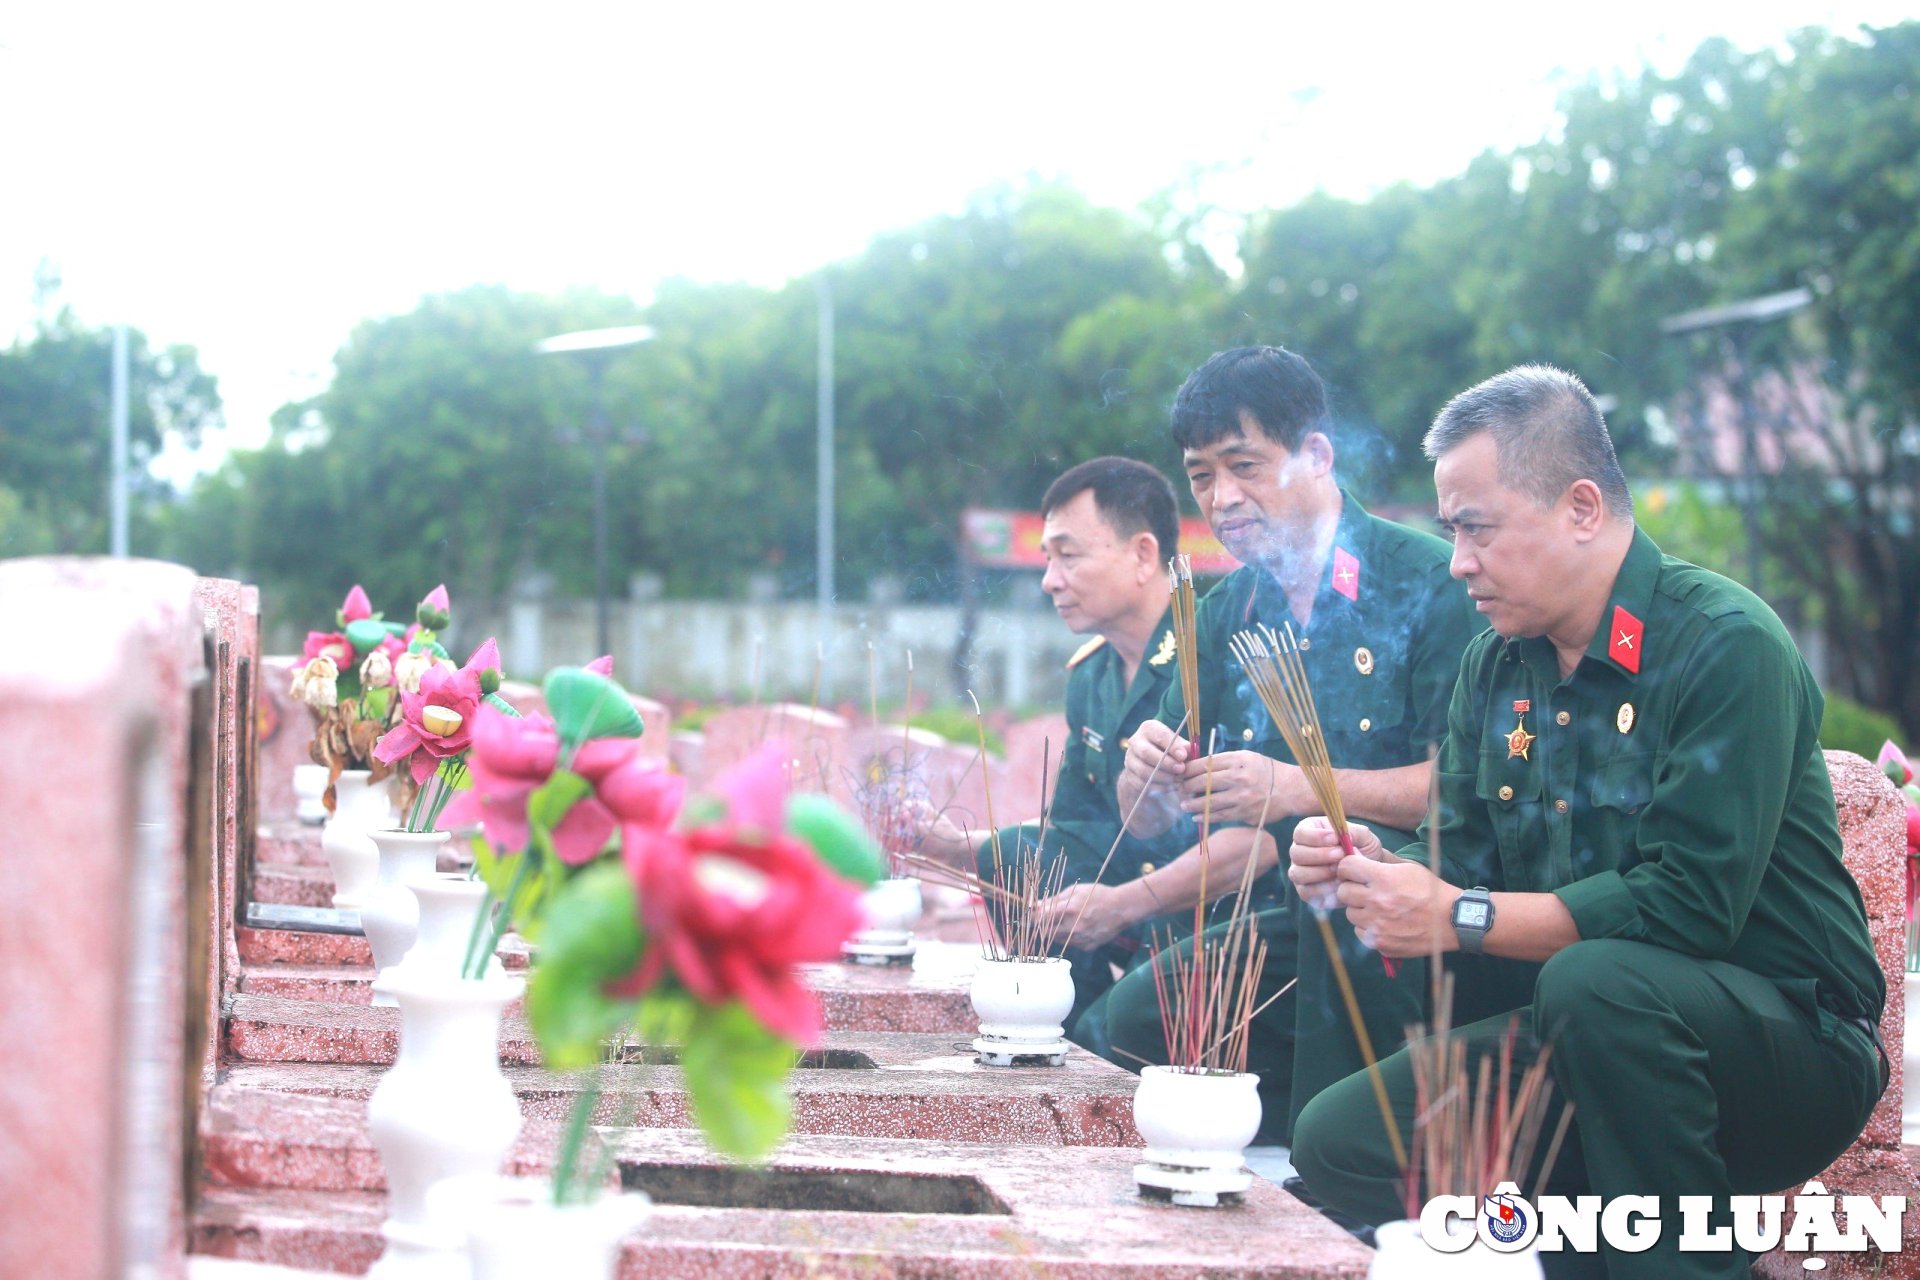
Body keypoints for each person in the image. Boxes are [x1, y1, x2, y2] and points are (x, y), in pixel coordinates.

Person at [1288, 365, 1885, 1279]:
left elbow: (1691, 908)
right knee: (1341, 1142)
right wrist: (1376, 866)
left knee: (1597, 980)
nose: (1457, 562)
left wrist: (1458, 913)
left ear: (1579, 507)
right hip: (1583, 1030)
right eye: (1451, 532)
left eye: (1477, 529)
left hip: (1780, 1050)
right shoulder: (1496, 668)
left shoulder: (1726, 644)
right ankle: (1572, 1252)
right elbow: (1459, 850)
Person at [1099, 345, 1484, 1143]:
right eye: (1202, 475)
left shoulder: (1430, 581)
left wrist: (1299, 788)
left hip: (1429, 909)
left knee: (1336, 882)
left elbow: (1467, 785)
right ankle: (1297, 1150)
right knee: (1135, 1021)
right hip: (1291, 916)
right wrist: (1145, 777)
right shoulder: (1226, 609)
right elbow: (1146, 823)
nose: (1223, 497)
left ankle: (1349, 1175)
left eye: (1245, 465)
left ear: (1317, 454)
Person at [913, 457, 1271, 1047]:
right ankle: (1068, 1029)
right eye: (1048, 559)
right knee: (1016, 856)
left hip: (1210, 917)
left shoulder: (1217, 659)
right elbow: (1072, 832)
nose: (1050, 579)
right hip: (1127, 906)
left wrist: (1124, 904)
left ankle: (1095, 1041)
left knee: (1116, 1030)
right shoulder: (1092, 676)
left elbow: (1252, 842)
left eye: (1068, 556)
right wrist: (954, 846)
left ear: (1142, 554)